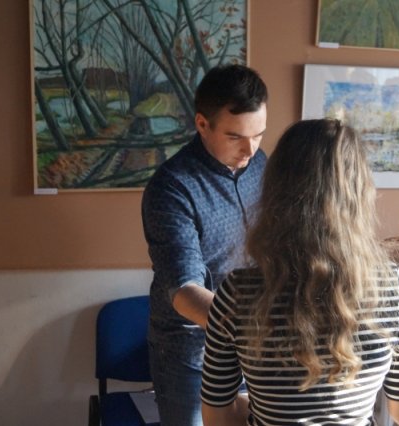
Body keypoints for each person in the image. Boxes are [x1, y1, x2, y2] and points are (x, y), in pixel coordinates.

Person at [200, 119, 399, 426]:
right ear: (359, 194)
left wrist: (258, 405)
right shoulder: (391, 286)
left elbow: (216, 418)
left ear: (275, 191)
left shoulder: (236, 293)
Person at [141, 64, 268, 426]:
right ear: (202, 124)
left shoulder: (260, 163)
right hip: (190, 354)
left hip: (256, 347)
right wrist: (254, 330)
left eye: (258, 134)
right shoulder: (172, 187)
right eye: (235, 136)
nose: (250, 149)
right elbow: (184, 289)